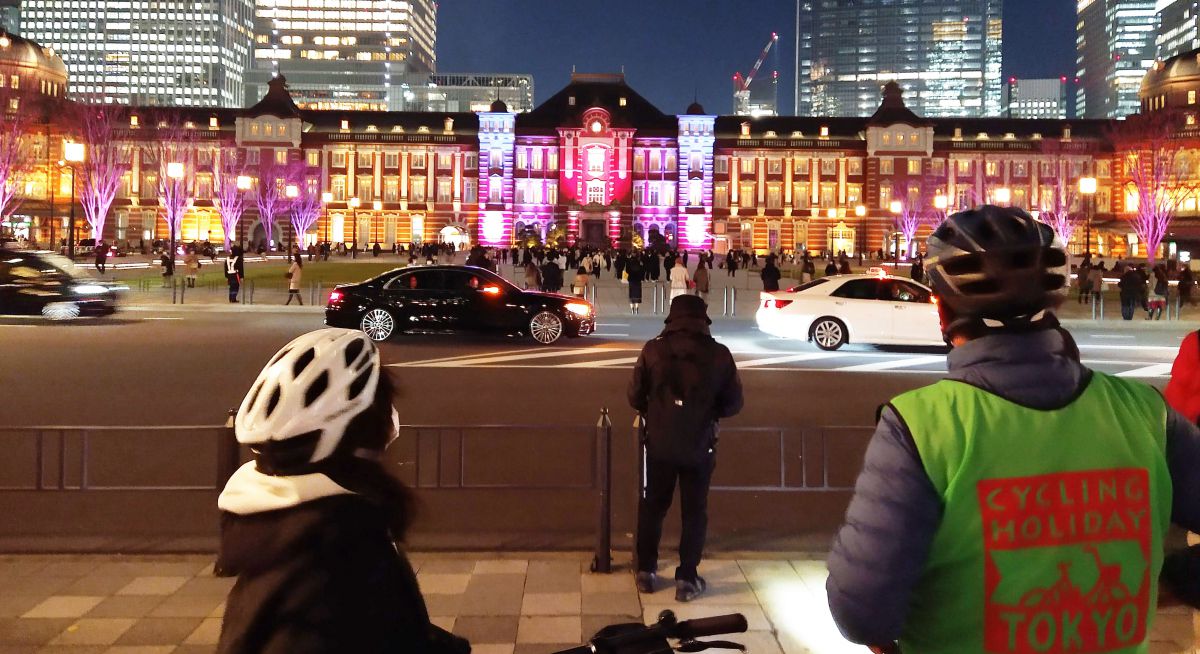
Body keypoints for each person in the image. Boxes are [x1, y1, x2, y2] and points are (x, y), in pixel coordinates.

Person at [826, 205, 1200, 653]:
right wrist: (1163, 584)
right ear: (1053, 302)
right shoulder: (1144, 413)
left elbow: (861, 610)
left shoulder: (924, 425)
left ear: (940, 308)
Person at [215, 329, 470, 654]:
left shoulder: (293, 536)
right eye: (385, 409)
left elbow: (386, 631)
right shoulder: (339, 562)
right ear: (361, 437)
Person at [629, 295, 743, 602]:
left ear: (672, 318)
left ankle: (646, 571)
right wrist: (709, 410)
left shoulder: (653, 349)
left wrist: (655, 410)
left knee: (653, 506)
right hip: (699, 445)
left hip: (659, 445)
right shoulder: (719, 354)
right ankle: (687, 579)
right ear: (703, 320)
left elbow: (634, 396)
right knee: (695, 512)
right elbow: (734, 403)